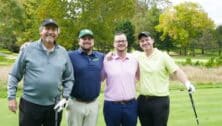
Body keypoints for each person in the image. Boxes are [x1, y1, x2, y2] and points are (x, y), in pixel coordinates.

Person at [7, 18, 74, 126]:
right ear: (40, 31)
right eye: (47, 28)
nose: (51, 32)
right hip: (30, 105)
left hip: (55, 106)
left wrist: (65, 98)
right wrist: (11, 97)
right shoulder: (28, 49)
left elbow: (69, 78)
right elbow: (14, 75)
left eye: (54, 29)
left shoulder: (63, 52)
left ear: (58, 33)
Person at [135, 31, 196, 126]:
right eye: (142, 41)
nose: (145, 42)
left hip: (160, 101)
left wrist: (187, 83)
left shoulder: (163, 56)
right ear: (139, 44)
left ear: (153, 40)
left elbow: (176, 71)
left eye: (147, 40)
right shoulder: (138, 57)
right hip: (143, 101)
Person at [67, 29, 104, 126]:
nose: (87, 41)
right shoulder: (70, 55)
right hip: (76, 103)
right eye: (84, 38)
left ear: (93, 41)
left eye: (89, 38)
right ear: (79, 40)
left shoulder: (100, 56)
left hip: (93, 104)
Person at [102, 32, 139, 126]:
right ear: (114, 44)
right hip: (111, 105)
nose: (121, 43)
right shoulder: (107, 60)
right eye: (118, 41)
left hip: (131, 105)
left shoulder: (134, 60)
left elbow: (138, 77)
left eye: (123, 41)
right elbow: (100, 78)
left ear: (127, 43)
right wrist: (105, 61)